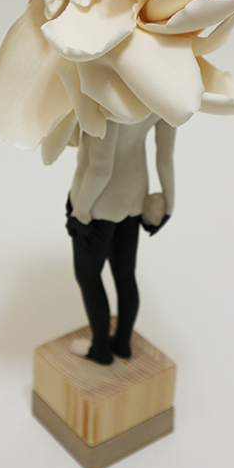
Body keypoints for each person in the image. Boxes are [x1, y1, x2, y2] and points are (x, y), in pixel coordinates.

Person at [65, 114, 175, 365]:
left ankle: (101, 348)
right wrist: (168, 205)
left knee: (88, 277)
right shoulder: (163, 98)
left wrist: (79, 214)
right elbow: (165, 158)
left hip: (97, 204)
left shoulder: (109, 100)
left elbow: (101, 167)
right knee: (125, 275)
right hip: (135, 198)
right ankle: (122, 343)